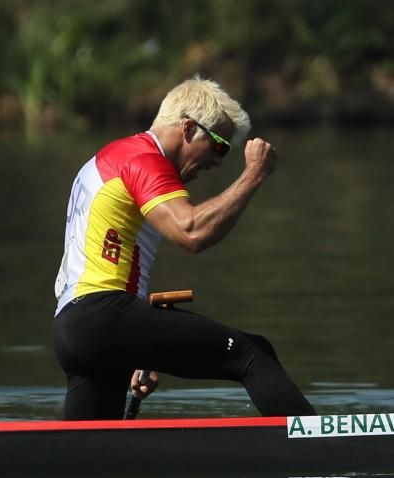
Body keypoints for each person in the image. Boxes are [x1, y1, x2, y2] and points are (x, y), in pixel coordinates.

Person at [52, 77, 315, 420]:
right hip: (104, 315)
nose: (219, 162)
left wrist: (134, 343)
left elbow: (107, 256)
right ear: (189, 128)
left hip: (74, 329)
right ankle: (327, 448)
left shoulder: (108, 158)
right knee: (252, 353)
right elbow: (191, 232)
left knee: (88, 456)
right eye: (219, 146)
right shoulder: (143, 158)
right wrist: (253, 176)